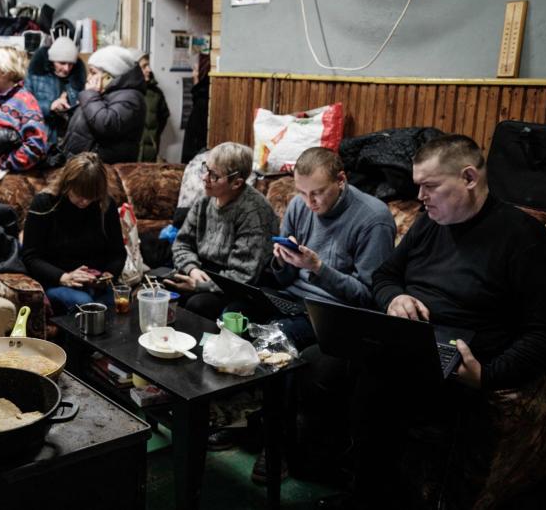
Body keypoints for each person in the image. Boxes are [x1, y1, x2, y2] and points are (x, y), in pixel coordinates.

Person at [319, 135, 546, 509]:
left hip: (464, 357)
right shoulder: (431, 222)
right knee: (331, 363)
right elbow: (384, 277)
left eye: (430, 186)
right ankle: (362, 490)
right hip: (410, 340)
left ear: (469, 178)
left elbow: (543, 333)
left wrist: (487, 375)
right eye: (417, 187)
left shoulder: (524, 239)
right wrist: (396, 297)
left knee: (377, 390)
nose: (421, 198)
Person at [269, 147, 395, 350]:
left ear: (341, 180)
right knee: (235, 315)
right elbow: (284, 279)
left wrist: (318, 268)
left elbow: (368, 298)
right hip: (292, 299)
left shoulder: (374, 219)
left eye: (318, 193)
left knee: (275, 338)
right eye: (302, 192)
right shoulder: (298, 205)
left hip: (335, 311)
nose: (309, 203)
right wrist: (283, 261)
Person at [166, 142, 278, 320]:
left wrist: (199, 285)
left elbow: (244, 276)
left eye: (214, 175)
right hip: (202, 271)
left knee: (198, 305)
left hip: (236, 286)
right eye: (206, 169)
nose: (205, 178)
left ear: (237, 183)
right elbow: (181, 244)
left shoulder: (253, 211)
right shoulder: (206, 199)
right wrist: (191, 269)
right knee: (158, 288)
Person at [21, 152, 126, 314]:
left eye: (91, 197)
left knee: (120, 302)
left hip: (94, 281)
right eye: (79, 195)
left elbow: (118, 253)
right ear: (67, 184)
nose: (84, 202)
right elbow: (30, 256)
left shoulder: (104, 204)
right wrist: (64, 277)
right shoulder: (44, 203)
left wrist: (107, 276)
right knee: (85, 304)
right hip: (56, 279)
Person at [61, 45, 147, 164]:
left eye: (93, 72)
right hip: (84, 169)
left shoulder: (132, 98)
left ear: (109, 77)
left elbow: (106, 124)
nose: (88, 78)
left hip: (102, 173)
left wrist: (90, 95)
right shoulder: (103, 93)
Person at [0, 47, 48, 172]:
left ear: (9, 71)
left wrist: (2, 164)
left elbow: (36, 147)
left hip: (8, 177)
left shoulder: (26, 102)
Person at [25, 36, 85, 147]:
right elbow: (24, 106)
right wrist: (50, 107)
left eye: (71, 64)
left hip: (70, 140)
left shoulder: (78, 78)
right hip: (42, 138)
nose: (67, 68)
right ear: (52, 61)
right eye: (62, 63)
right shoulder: (35, 75)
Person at [135, 51, 171, 162]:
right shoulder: (125, 93)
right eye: (144, 66)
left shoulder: (156, 93)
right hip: (129, 156)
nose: (149, 70)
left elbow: (163, 117)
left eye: (148, 65)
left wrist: (152, 140)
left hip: (149, 155)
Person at [181, 52, 210, 163]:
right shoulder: (201, 97)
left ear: (203, 72)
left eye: (196, 70)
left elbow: (194, 142)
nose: (193, 74)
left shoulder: (202, 102)